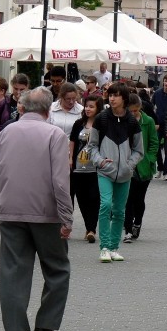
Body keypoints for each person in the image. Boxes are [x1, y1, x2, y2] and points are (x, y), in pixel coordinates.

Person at [0, 86, 73, 331]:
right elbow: (60, 182)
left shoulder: (4, 133)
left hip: (11, 212)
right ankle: (47, 323)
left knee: (13, 271)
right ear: (49, 110)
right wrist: (66, 217)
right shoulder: (55, 134)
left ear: (22, 108)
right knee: (57, 268)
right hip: (47, 214)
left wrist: (1, 203)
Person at [88, 83, 144, 263]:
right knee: (105, 205)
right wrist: (99, 161)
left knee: (120, 211)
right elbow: (92, 146)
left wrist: (130, 164)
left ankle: (113, 247)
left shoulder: (132, 122)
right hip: (105, 171)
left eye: (116, 95)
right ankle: (104, 247)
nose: (112, 98)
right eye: (110, 95)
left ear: (124, 98)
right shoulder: (101, 119)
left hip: (125, 173)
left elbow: (138, 150)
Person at [123, 93, 158, 243]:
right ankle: (128, 230)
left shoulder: (148, 121)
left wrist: (149, 159)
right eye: (130, 111)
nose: (133, 114)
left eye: (135, 110)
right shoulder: (123, 121)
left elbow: (154, 142)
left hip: (144, 167)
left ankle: (138, 222)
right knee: (128, 199)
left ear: (140, 108)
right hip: (128, 166)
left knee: (139, 199)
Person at [69, 95, 104, 244]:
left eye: (92, 106)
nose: (88, 109)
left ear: (98, 108)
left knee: (94, 198)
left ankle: (92, 229)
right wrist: (70, 158)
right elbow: (72, 141)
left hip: (95, 168)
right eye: (87, 106)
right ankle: (88, 228)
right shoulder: (78, 124)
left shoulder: (102, 124)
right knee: (82, 199)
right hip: (78, 167)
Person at [0, 74, 29, 139]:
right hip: (6, 141)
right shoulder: (2, 104)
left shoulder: (33, 104)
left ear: (27, 87)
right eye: (16, 89)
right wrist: (6, 128)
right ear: (12, 86)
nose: (18, 92)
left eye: (22, 89)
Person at [151, 74, 167, 179]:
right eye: (165, 81)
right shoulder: (157, 93)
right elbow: (152, 107)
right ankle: (160, 168)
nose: (166, 83)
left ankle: (166, 171)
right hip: (158, 124)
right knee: (156, 148)